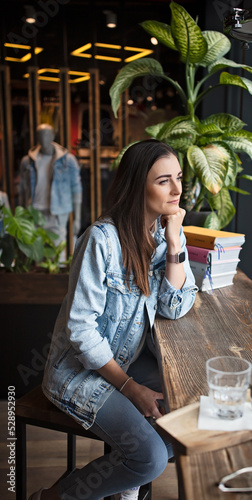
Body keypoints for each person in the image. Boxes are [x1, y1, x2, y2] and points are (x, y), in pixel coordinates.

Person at [29, 139, 198, 500]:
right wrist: (129, 388)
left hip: (128, 360)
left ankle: (124, 487)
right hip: (78, 371)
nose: (177, 189)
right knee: (151, 457)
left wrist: (173, 246)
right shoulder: (101, 240)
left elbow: (175, 306)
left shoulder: (166, 231)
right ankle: (53, 497)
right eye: (164, 180)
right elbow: (81, 330)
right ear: (139, 187)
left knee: (188, 417)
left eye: (179, 178)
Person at [19, 123, 82, 253]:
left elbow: (76, 189)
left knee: (58, 252)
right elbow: (23, 189)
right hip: (34, 211)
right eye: (40, 135)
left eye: (47, 134)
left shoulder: (67, 160)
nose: (44, 138)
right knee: (36, 253)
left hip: (58, 213)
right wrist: (22, 213)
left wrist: (77, 218)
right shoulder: (28, 161)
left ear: (53, 136)